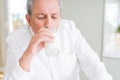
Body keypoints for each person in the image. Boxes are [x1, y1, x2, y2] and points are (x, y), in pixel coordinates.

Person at [3, 0, 113, 80]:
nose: (49, 24)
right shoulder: (15, 41)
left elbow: (95, 67)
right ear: (29, 19)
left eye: (54, 17)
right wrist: (29, 53)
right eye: (41, 17)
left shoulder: (70, 31)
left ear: (60, 16)